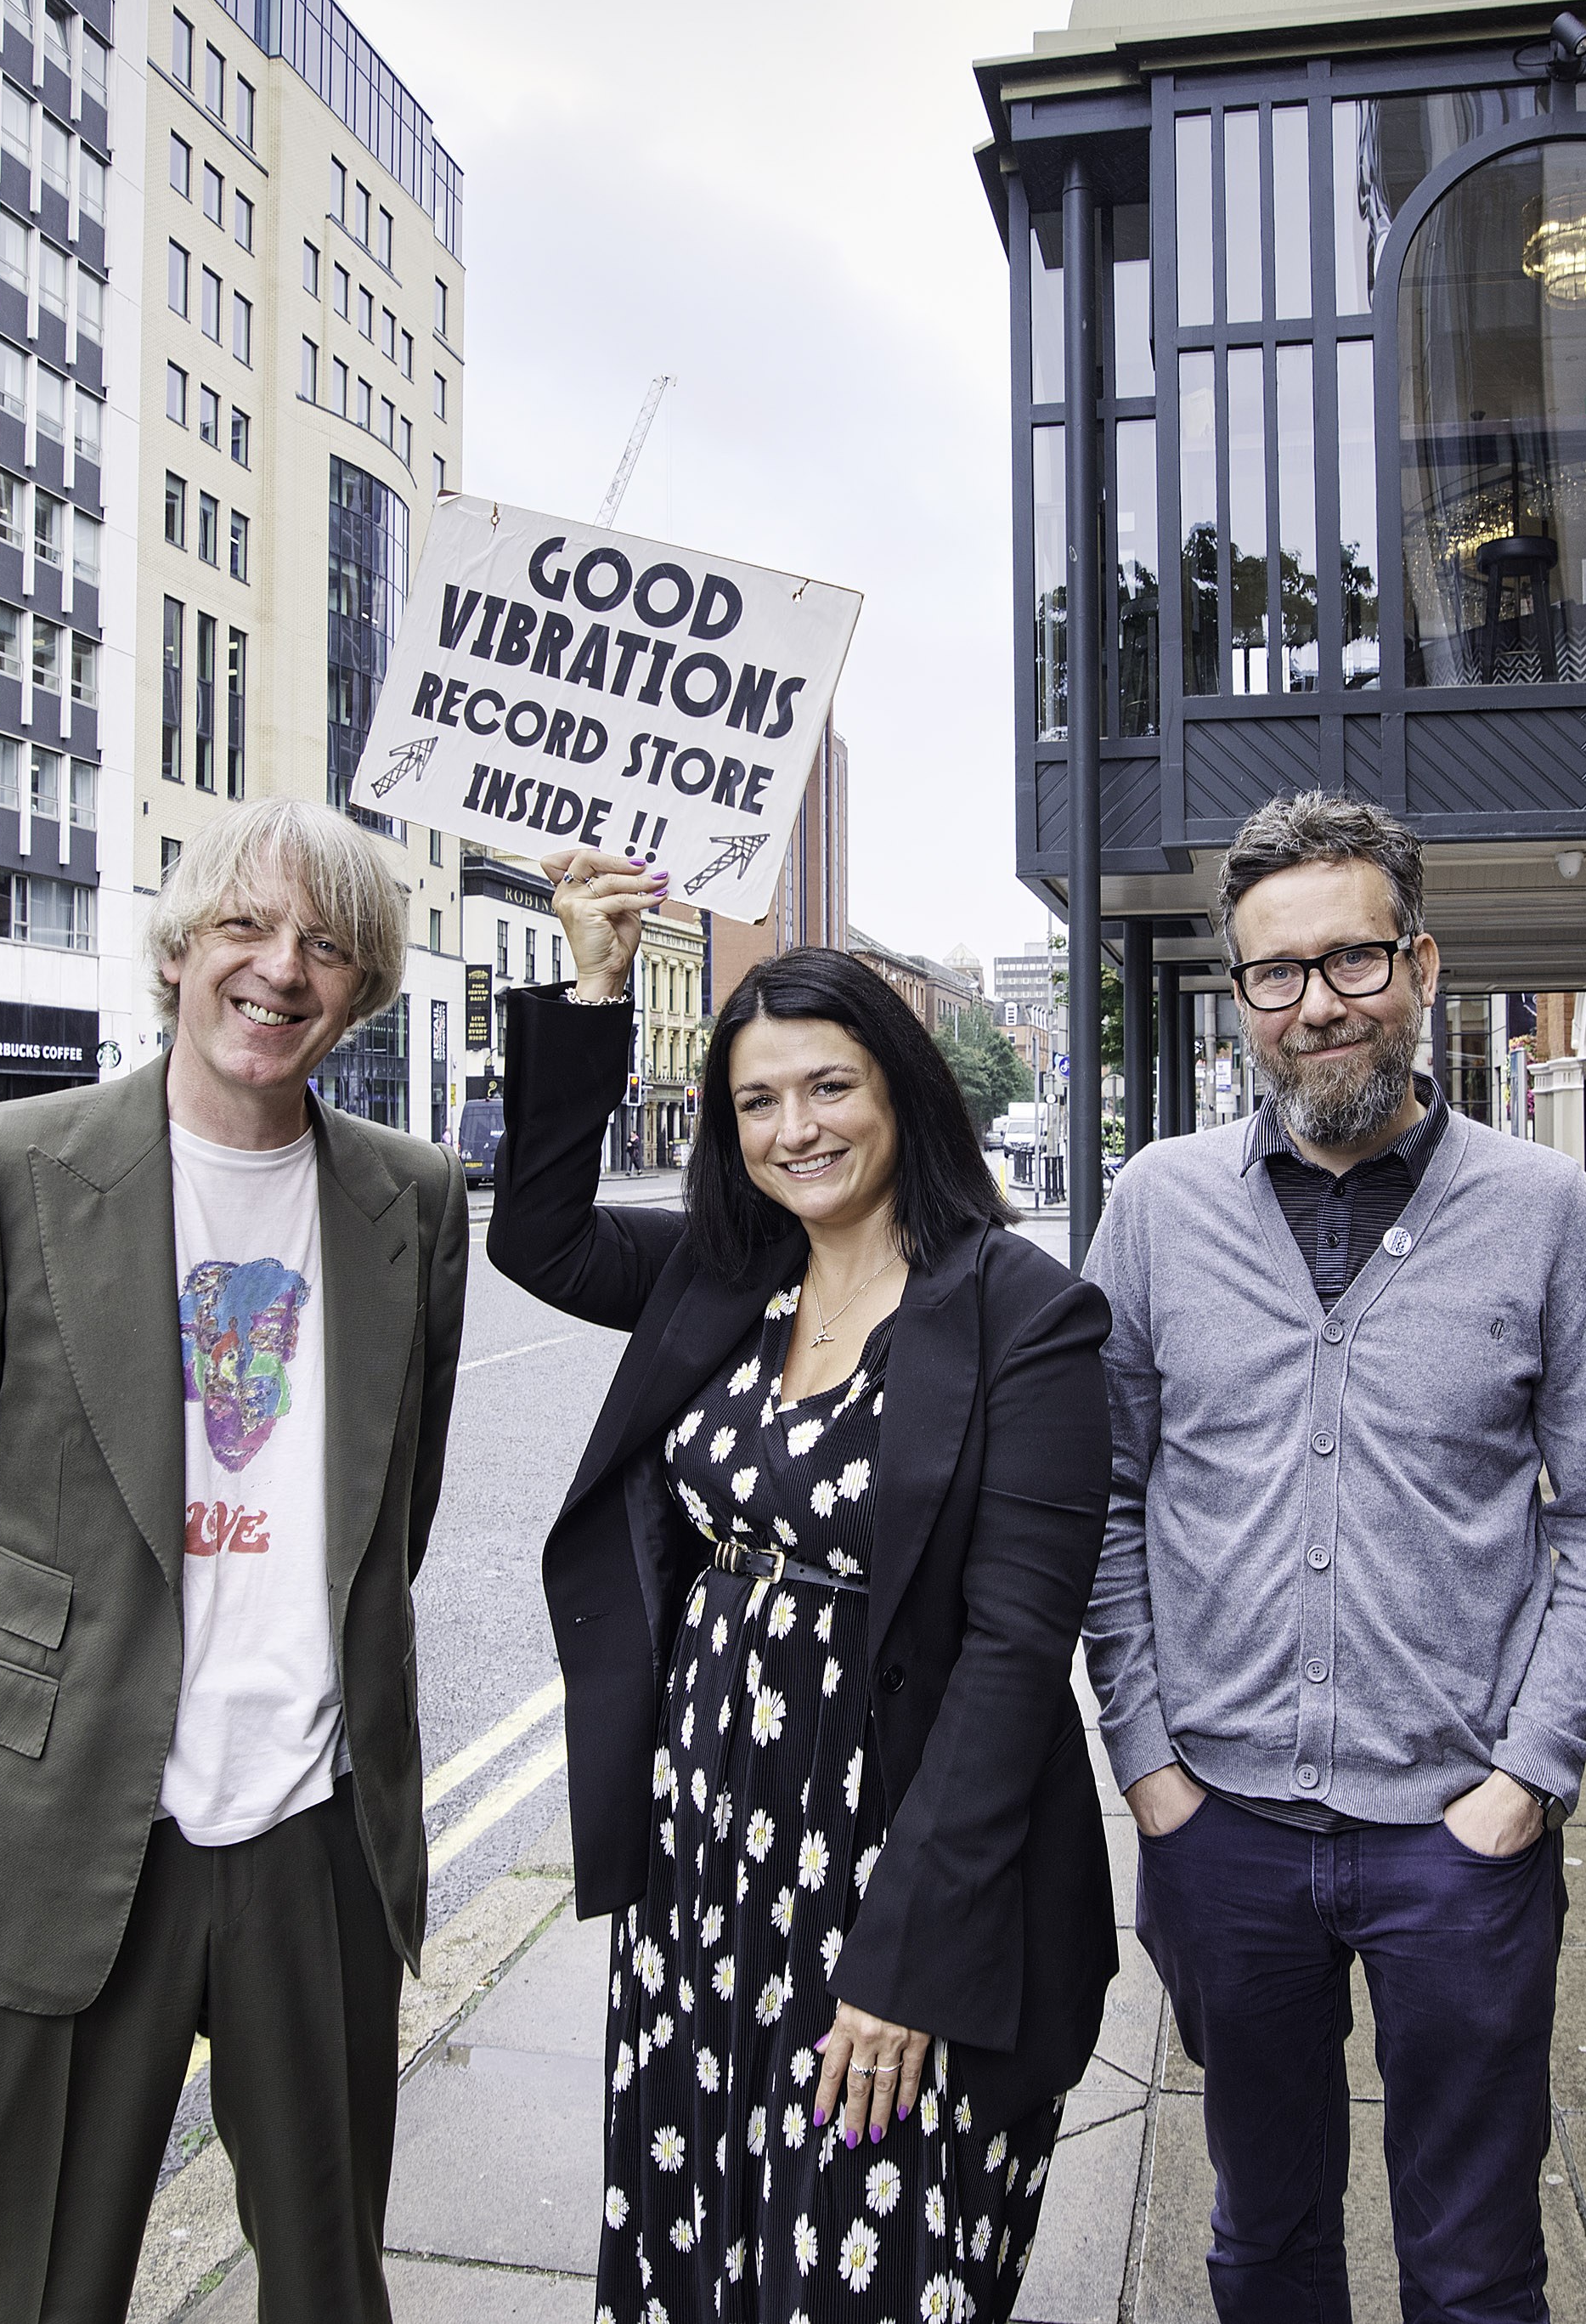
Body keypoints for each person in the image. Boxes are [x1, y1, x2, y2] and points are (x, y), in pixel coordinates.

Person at [0, 800, 466, 2324]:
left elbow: (398, 1510)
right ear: (181, 949)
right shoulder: (4, 1164)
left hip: (315, 1833)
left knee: (330, 2283)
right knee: (40, 2290)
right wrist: (29, 1712)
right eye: (248, 928)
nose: (282, 968)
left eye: (330, 944)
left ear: (367, 988)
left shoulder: (417, 1198)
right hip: (66, 1832)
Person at [491, 847, 1116, 2324]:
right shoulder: (725, 1271)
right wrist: (590, 982)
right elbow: (540, 1232)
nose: (795, 1127)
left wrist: (907, 1958)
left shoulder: (1025, 1313)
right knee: (701, 2222)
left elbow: (1017, 1656)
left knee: (859, 2253)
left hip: (895, 1856)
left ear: (900, 1088)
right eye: (757, 1099)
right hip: (706, 1847)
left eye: (829, 1086)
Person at [1084, 790, 1586, 2323]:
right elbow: (1105, 1495)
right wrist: (1150, 1765)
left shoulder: (1549, 1213)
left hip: (1456, 1839)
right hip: (1224, 1832)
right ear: (1240, 992)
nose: (1317, 1003)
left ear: (1421, 966)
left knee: (1474, 2265)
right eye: (1277, 971)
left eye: (1352, 960)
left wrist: (1527, 1775)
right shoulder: (1153, 1206)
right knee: (1263, 2240)